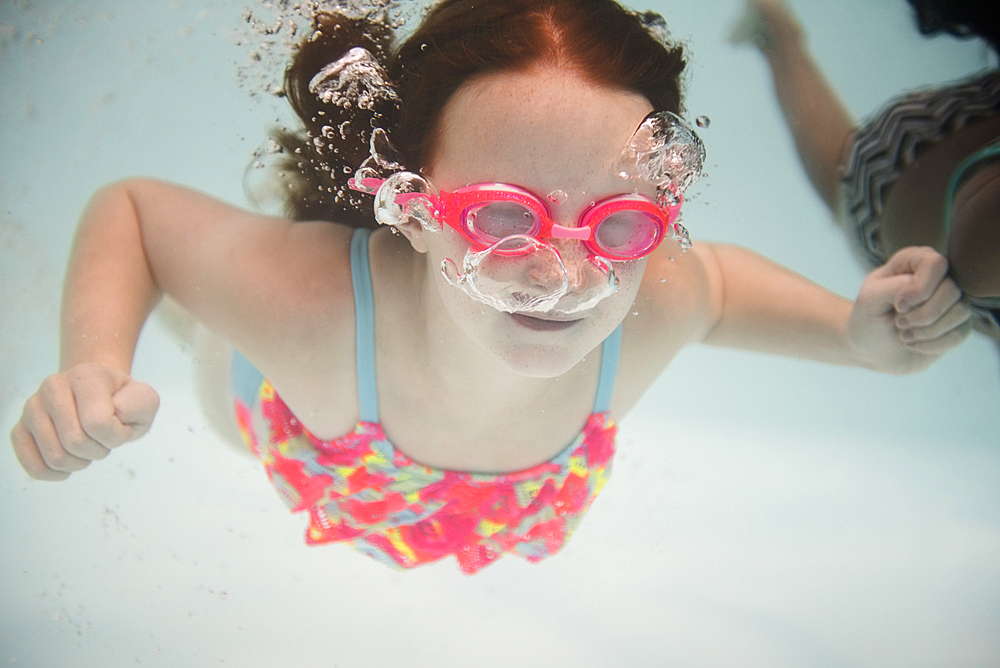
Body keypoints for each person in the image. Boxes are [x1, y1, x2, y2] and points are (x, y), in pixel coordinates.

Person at [9, 0, 971, 574]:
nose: (564, 275)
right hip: (281, 392)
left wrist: (859, 338)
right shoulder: (310, 308)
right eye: (504, 215)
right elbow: (134, 212)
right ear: (415, 202)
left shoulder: (655, 301)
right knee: (208, 323)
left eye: (619, 224)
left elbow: (714, 287)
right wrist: (93, 364)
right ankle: (207, 312)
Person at [731, 0, 1000, 340]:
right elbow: (975, 259)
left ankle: (778, 34)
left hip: (925, 168)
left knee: (845, 182)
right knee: (847, 184)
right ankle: (778, 33)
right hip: (911, 174)